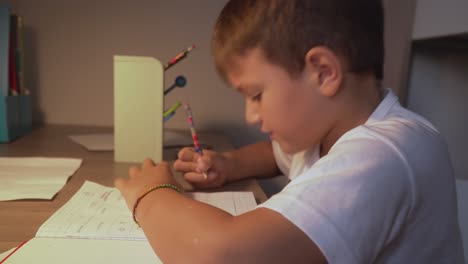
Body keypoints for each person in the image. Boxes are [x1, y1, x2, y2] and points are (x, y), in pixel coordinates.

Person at [115, 0, 465, 263]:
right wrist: (230, 164)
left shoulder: (385, 153)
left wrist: (151, 193)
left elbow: (221, 255)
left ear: (323, 72)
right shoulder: (329, 131)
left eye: (256, 95)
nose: (250, 115)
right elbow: (275, 154)